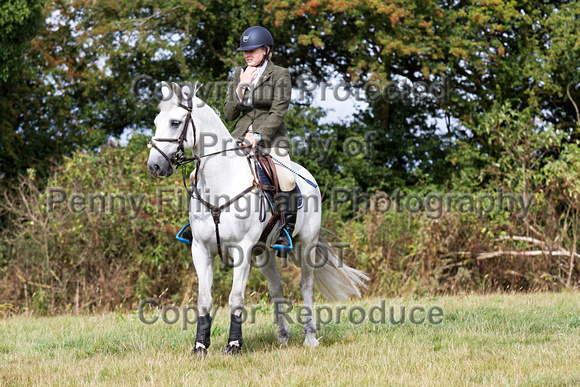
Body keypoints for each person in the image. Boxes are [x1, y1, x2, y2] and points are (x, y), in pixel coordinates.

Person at [223, 26, 298, 252]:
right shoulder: (238, 73)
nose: (247, 54)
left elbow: (278, 111)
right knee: (202, 169)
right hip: (239, 136)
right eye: (245, 51)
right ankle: (197, 222)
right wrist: (242, 85)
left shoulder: (280, 74)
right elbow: (229, 113)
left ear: (266, 50)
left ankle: (285, 229)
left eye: (252, 50)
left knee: (287, 180)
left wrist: (259, 135)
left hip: (272, 139)